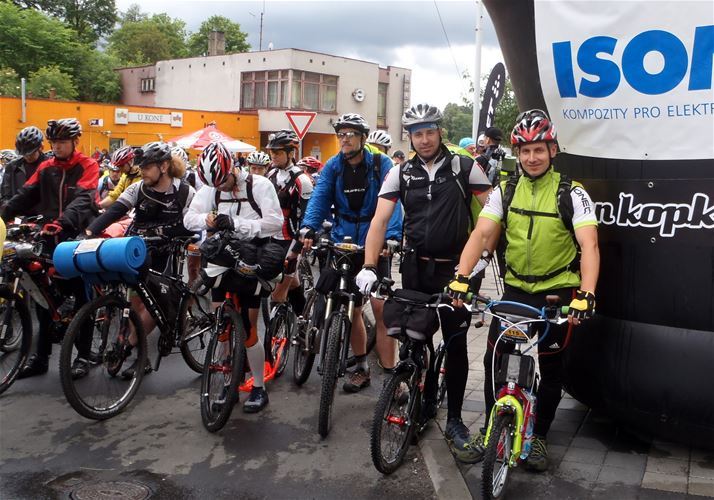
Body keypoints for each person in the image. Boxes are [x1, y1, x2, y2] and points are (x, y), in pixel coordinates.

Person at [448, 109, 600, 470]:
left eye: (539, 150)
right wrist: (462, 275)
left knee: (551, 367)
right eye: (525, 151)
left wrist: (586, 293)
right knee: (494, 359)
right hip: (516, 290)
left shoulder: (571, 193)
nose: (532, 158)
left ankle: (540, 437)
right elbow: (483, 233)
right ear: (517, 153)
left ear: (552, 150)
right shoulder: (506, 189)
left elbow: (589, 245)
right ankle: (490, 431)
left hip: (556, 293)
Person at [356, 103, 493, 463]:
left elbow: (493, 212)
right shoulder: (400, 173)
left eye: (430, 131)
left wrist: (484, 255)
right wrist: (370, 265)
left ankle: (456, 421)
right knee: (415, 340)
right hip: (416, 268)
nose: (425, 138)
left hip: (456, 270)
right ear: (411, 137)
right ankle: (422, 400)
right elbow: (379, 221)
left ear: (440, 132)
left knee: (456, 342)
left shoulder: (465, 166)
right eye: (418, 133)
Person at [301, 113, 403, 390]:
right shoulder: (334, 166)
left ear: (363, 138)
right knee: (353, 306)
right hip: (343, 239)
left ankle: (392, 377)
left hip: (375, 242)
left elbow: (391, 206)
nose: (344, 139)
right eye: (341, 134)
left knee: (381, 310)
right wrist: (308, 227)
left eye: (350, 134)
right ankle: (361, 365)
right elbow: (320, 198)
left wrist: (391, 238)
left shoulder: (381, 166)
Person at [184, 142, 283, 412]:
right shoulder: (210, 188)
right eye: (215, 184)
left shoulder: (259, 185)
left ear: (233, 169)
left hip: (253, 255)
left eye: (224, 181)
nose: (221, 188)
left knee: (249, 328)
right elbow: (189, 219)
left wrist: (238, 224)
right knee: (221, 324)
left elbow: (275, 223)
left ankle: (259, 386)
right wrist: (209, 219)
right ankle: (230, 376)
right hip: (222, 255)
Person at [85, 141, 196, 378]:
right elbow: (116, 210)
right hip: (139, 249)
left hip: (168, 252)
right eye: (141, 166)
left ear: (164, 166)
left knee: (157, 304)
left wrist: (172, 234)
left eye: (147, 166)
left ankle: (132, 348)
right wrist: (89, 232)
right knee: (137, 304)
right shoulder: (138, 189)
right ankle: (139, 351)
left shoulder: (186, 192)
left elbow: (193, 224)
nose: (142, 170)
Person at [1, 118, 99, 379]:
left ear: (74, 142)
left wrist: (63, 222)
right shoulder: (46, 167)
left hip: (76, 233)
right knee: (43, 295)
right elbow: (24, 196)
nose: (57, 147)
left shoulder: (87, 165)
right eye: (54, 142)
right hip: (48, 234)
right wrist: (3, 214)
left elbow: (84, 199)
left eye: (62, 142)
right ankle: (40, 357)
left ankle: (83, 355)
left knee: (81, 296)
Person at [264, 130, 314, 309]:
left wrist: (298, 247)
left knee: (277, 295)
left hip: (292, 240)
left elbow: (308, 216)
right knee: (292, 283)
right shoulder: (270, 175)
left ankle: (276, 335)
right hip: (272, 237)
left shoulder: (303, 180)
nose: (273, 156)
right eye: (272, 152)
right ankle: (302, 318)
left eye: (278, 153)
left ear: (291, 153)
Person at [1, 126, 48, 206]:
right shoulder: (12, 167)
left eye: (31, 153)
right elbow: (5, 196)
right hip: (17, 214)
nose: (27, 156)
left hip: (45, 215)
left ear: (41, 147)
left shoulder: (50, 166)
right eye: (24, 153)